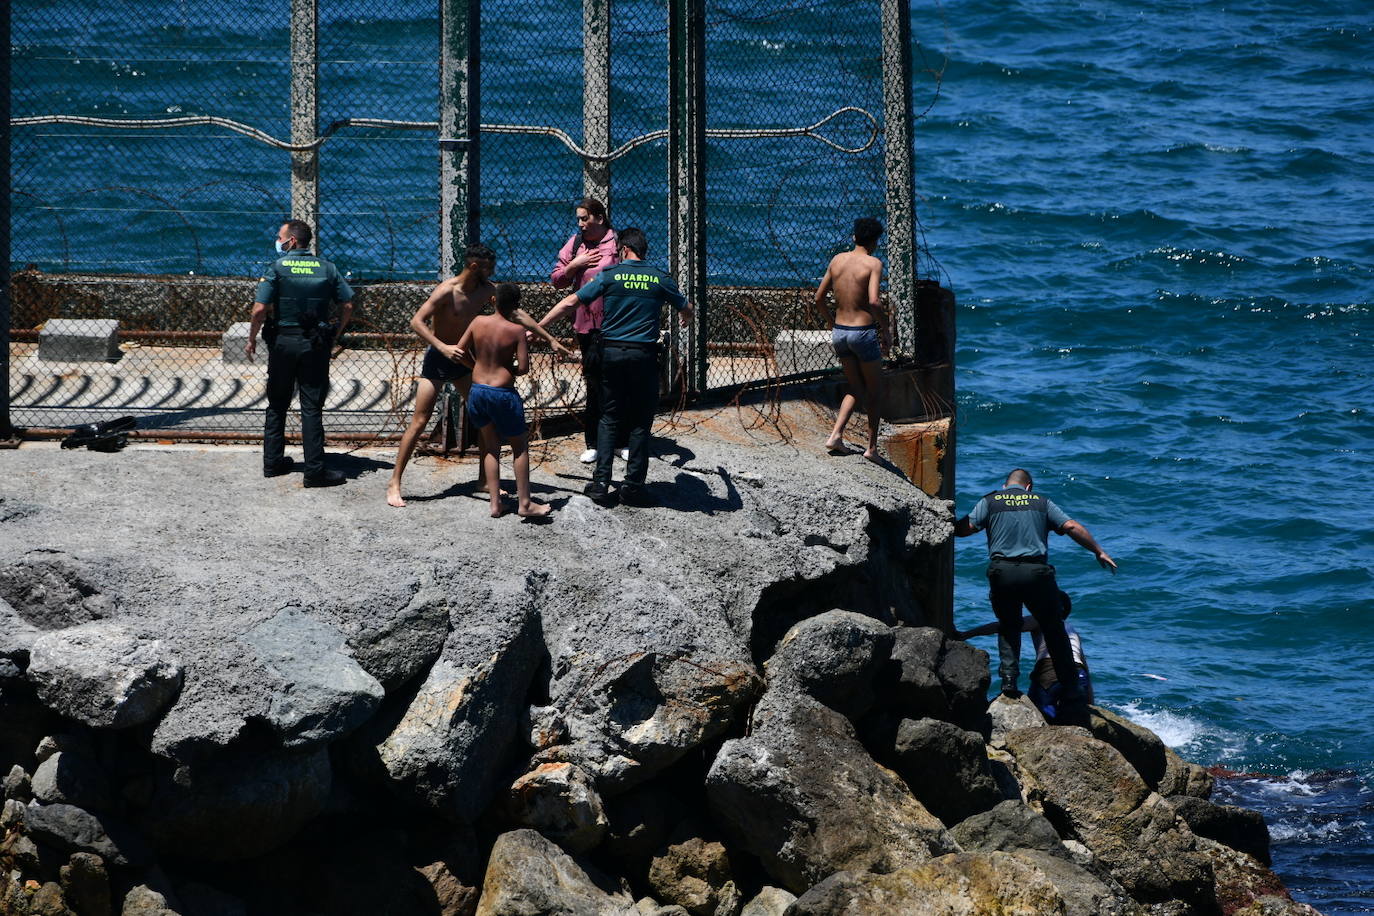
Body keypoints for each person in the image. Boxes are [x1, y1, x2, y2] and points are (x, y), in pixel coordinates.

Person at [386, 245, 573, 508]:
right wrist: (442, 347)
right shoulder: (447, 290)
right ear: (474, 267)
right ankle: (395, 482)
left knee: (486, 423)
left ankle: (484, 480)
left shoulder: (487, 291)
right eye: (488, 268)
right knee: (419, 420)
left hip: (465, 362)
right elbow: (417, 321)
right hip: (439, 359)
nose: (492, 273)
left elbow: (516, 313)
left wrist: (549, 339)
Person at [543, 227, 693, 507]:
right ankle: (633, 486)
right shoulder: (660, 279)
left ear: (624, 250)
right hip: (643, 356)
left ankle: (600, 483)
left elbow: (570, 302)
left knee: (609, 415)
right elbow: (686, 306)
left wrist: (538, 328)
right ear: (643, 250)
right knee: (639, 421)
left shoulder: (609, 277)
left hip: (611, 352)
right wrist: (686, 316)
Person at [953, 468, 1116, 710]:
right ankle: (1071, 687)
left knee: (1009, 626)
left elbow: (965, 529)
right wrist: (1098, 550)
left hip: (1002, 572)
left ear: (1005, 485)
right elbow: (1071, 527)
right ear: (1029, 487)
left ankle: (1009, 682)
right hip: (1036, 573)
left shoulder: (990, 501)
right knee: (1053, 629)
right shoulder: (1042, 502)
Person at [247, 219, 353, 487]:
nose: (277, 240)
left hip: (283, 342)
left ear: (291, 241)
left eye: (280, 236)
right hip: (314, 345)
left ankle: (272, 463)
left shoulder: (277, 268)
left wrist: (251, 339)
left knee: (277, 403)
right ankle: (314, 470)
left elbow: (259, 310)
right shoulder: (328, 268)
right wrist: (335, 335)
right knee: (311, 406)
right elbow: (348, 304)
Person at [455, 284, 551, 519]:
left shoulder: (478, 322)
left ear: (492, 301)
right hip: (502, 393)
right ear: (517, 306)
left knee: (490, 446)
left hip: (478, 390)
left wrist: (475, 366)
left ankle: (496, 503)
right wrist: (510, 370)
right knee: (519, 446)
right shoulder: (516, 330)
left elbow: (460, 350)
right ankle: (525, 503)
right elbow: (524, 367)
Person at [546, 197, 626, 464]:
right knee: (593, 383)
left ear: (599, 219)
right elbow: (557, 280)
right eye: (578, 219)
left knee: (618, 382)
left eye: (584, 218)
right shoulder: (576, 244)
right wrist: (574, 266)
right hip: (587, 326)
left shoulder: (617, 244)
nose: (580, 224)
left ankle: (620, 440)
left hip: (617, 324)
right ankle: (593, 441)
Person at [814, 217, 890, 461]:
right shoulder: (874, 263)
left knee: (855, 387)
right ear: (875, 241)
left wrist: (829, 321)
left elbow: (818, 297)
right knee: (875, 391)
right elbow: (874, 301)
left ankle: (836, 435)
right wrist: (886, 328)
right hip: (862, 334)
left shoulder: (837, 259)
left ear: (854, 237)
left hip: (840, 332)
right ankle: (872, 449)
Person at [955, 590, 1094, 722]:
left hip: (1050, 671)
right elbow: (1085, 667)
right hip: (1078, 673)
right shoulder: (1073, 631)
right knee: (1073, 713)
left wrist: (968, 634)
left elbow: (1006, 626)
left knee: (1039, 713)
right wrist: (1091, 702)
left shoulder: (1040, 619)